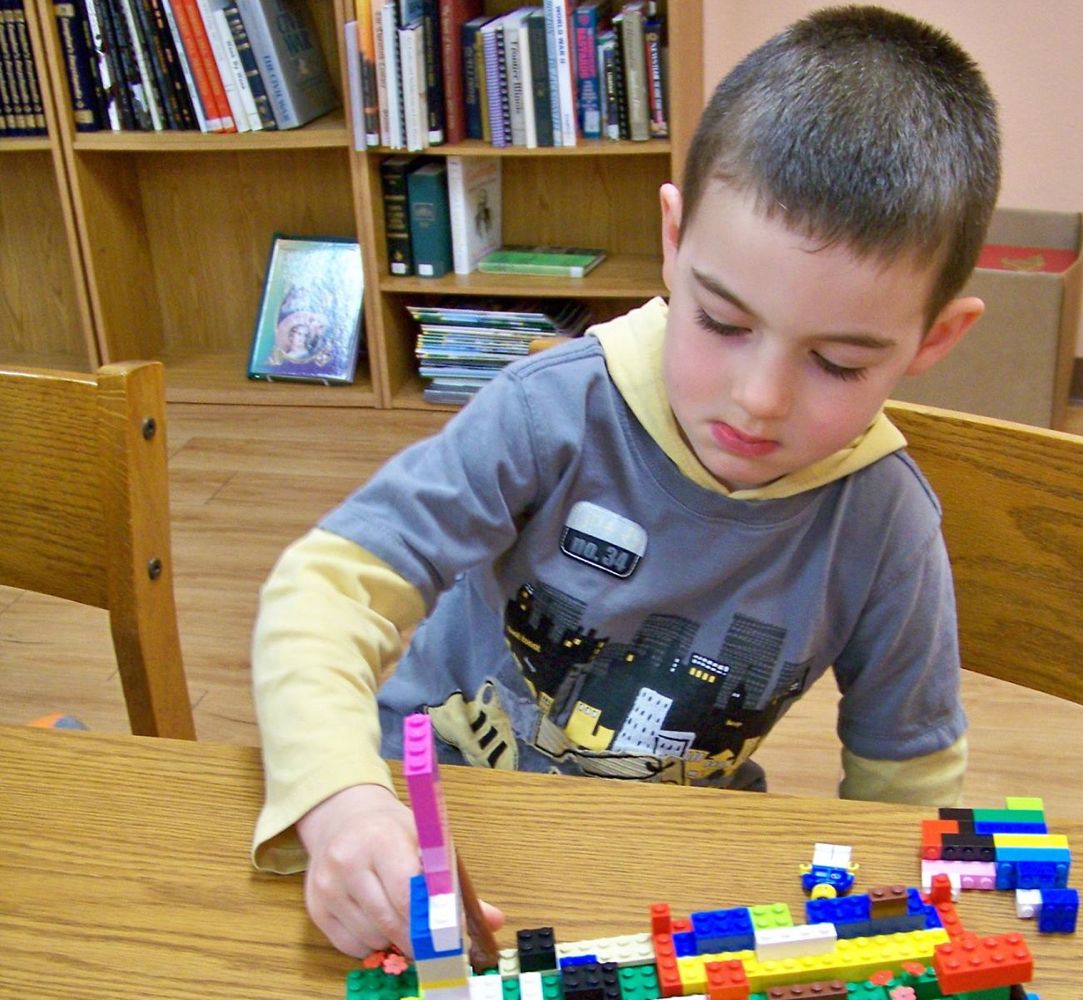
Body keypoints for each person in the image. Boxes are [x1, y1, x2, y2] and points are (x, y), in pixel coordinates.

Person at [250, 4, 1001, 961]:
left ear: (935, 340)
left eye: (840, 364)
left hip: (669, 873)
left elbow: (910, 786)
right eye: (722, 323)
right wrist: (341, 806)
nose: (758, 400)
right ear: (674, 239)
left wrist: (888, 939)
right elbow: (322, 590)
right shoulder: (545, 413)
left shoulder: (887, 524)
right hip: (434, 831)